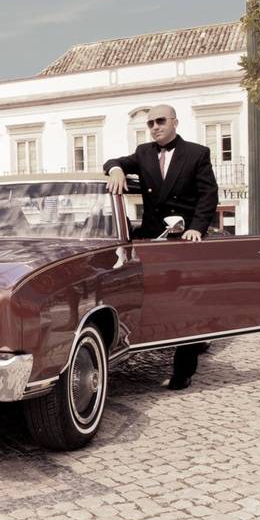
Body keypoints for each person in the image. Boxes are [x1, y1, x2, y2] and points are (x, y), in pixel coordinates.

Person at [104, 103, 219, 390]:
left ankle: (183, 371)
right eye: (151, 123)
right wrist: (116, 169)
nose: (155, 127)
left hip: (185, 240)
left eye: (160, 121)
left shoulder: (196, 153)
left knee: (187, 305)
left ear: (174, 122)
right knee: (157, 301)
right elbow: (112, 161)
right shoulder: (143, 153)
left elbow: (208, 195)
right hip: (152, 241)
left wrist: (196, 228)